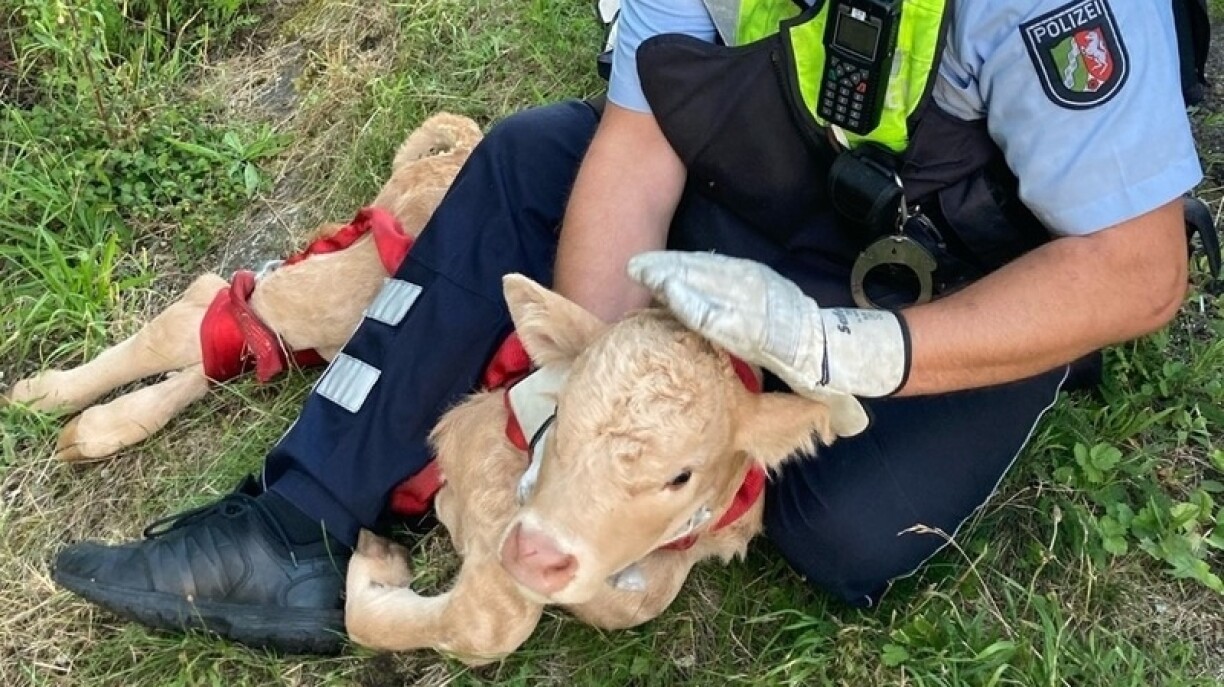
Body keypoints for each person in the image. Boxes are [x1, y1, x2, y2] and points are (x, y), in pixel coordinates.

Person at [53, 0, 1202, 654]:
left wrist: (846, 352)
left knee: (845, 532)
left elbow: (1139, 270)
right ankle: (292, 526)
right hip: (776, 185)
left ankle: (1005, 369)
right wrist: (590, 396)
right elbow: (640, 145)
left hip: (952, 273)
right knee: (523, 160)